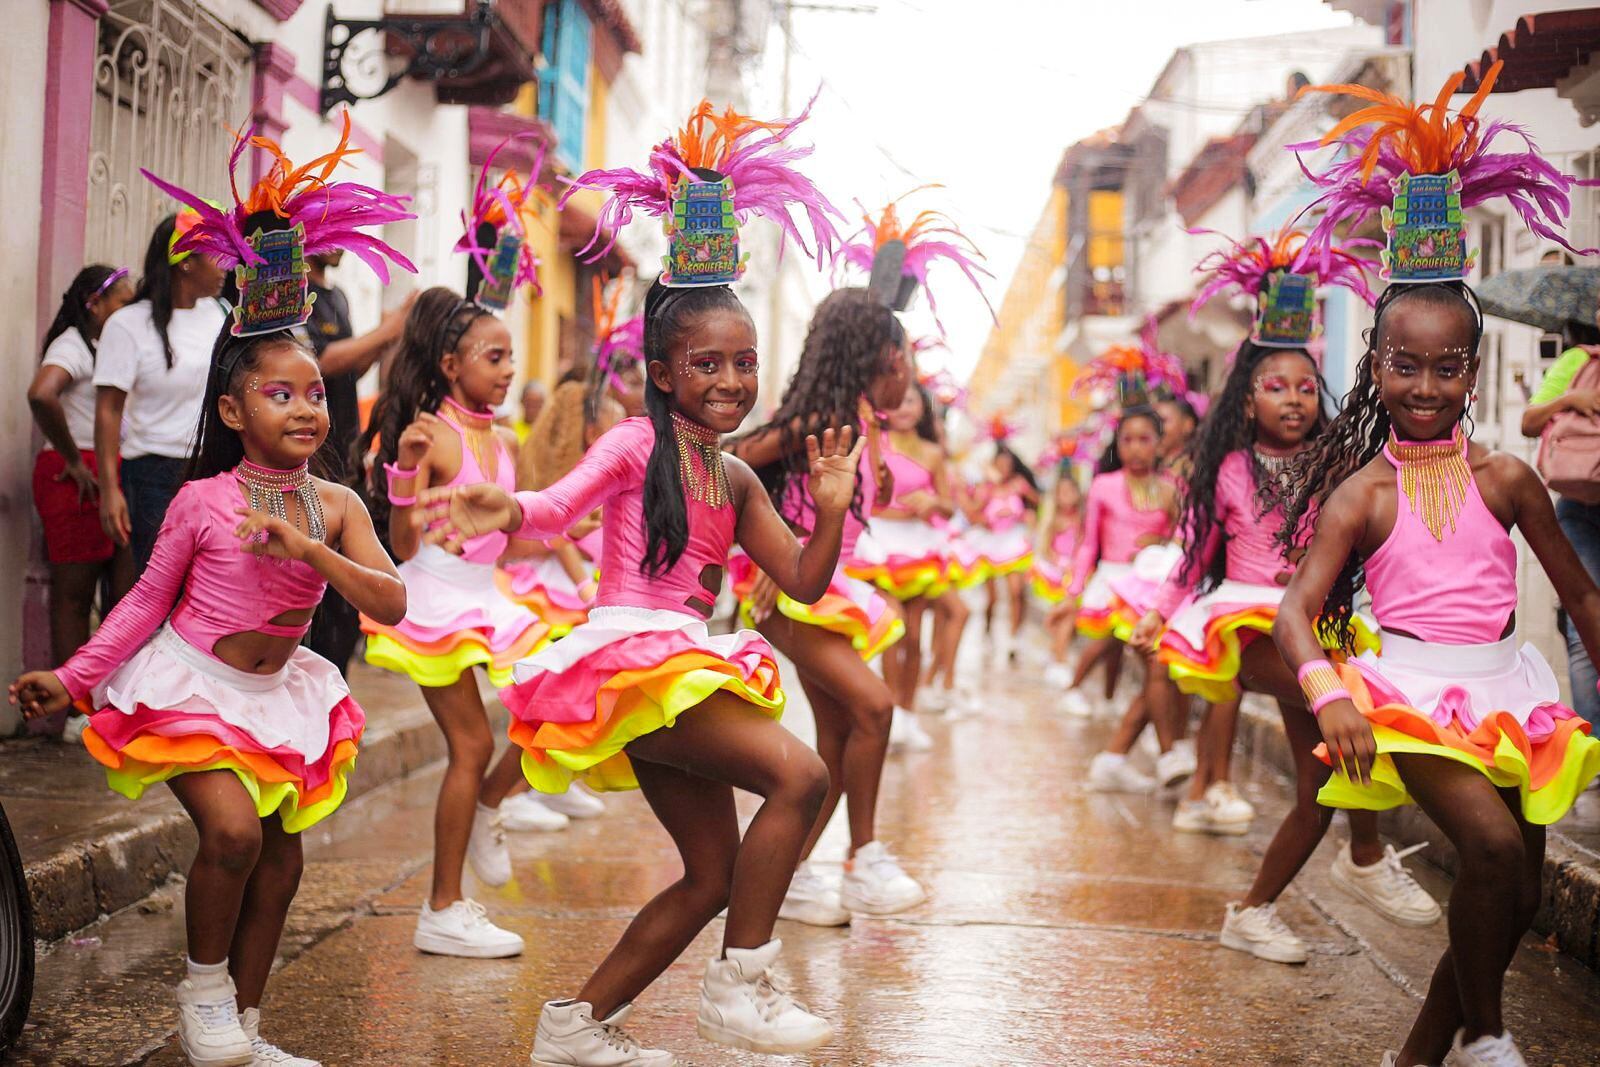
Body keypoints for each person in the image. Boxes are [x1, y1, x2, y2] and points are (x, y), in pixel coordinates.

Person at [424, 280, 852, 1062]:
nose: (730, 381)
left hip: (683, 661)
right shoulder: (633, 442)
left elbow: (802, 579)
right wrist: (508, 507)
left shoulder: (737, 477)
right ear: (663, 373)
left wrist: (829, 511)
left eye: (745, 362)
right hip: (636, 659)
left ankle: (574, 1025)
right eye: (707, 363)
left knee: (711, 875)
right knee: (803, 776)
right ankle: (740, 984)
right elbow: (558, 505)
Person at [11, 320, 406, 1067]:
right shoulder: (201, 501)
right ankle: (203, 1000)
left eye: (315, 394)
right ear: (233, 411)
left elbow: (391, 602)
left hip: (279, 697)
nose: (303, 409)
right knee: (233, 834)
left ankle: (245, 1035)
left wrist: (309, 547)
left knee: (283, 866)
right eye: (278, 393)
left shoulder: (337, 504)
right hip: (191, 688)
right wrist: (70, 678)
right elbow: (141, 603)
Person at [1277, 281, 1600, 1067]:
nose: (1426, 388)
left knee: (1519, 897)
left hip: (1508, 699)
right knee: (1489, 846)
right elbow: (1295, 614)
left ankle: (1420, 1053)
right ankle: (1487, 1035)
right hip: (1410, 699)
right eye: (1406, 366)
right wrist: (1328, 699)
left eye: (1446, 368)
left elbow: (1581, 590)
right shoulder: (1362, 493)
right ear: (1377, 367)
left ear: (1475, 372)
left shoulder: (1508, 479)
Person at [358, 288, 555, 959]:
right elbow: (405, 545)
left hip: (489, 596)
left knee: (560, 707)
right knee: (469, 746)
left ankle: (490, 807)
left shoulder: (504, 439)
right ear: (450, 363)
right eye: (493, 357)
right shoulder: (430, 434)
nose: (506, 370)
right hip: (436, 599)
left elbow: (513, 540)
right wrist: (407, 471)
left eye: (510, 357)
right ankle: (442, 906)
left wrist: (582, 532)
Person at [733, 288, 925, 927]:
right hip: (788, 593)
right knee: (874, 706)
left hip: (825, 591)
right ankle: (864, 857)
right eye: (904, 357)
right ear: (882, 357)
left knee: (840, 743)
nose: (910, 373)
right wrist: (773, 546)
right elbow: (728, 463)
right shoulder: (823, 417)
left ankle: (789, 880)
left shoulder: (860, 421)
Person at [29, 264, 138, 741]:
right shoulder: (72, 344)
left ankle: (112, 703)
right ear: (94, 304)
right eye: (121, 301)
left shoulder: (115, 344)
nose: (130, 309)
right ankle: (75, 712)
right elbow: (41, 394)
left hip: (112, 472)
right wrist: (75, 460)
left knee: (124, 592)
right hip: (75, 479)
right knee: (74, 596)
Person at [296, 251, 412, 676]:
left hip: (344, 453)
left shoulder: (338, 296)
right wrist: (387, 329)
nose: (343, 246)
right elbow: (319, 363)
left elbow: (348, 370)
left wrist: (386, 339)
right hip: (310, 457)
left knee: (345, 595)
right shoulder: (296, 292)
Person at [95, 214, 228, 571]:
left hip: (211, 469)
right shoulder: (127, 325)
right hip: (154, 475)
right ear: (186, 262)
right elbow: (108, 410)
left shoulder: (217, 314)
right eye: (216, 254)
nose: (226, 265)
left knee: (206, 583)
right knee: (160, 584)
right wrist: (110, 490)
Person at [848, 382, 956, 752]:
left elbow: (950, 506)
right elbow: (866, 491)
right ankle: (890, 711)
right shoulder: (875, 443)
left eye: (911, 399)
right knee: (893, 629)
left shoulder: (933, 453)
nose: (905, 407)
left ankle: (909, 715)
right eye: (897, 400)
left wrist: (932, 503)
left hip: (919, 546)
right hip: (881, 542)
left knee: (914, 635)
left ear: (923, 408)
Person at [1519, 315, 1600, 728]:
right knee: (1584, 628)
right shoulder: (1577, 361)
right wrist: (1570, 401)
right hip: (1580, 509)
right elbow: (1529, 421)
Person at [967, 442, 1039, 659]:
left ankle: (1014, 638)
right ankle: (988, 631)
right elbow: (973, 514)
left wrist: (1029, 515)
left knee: (1017, 591)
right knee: (992, 598)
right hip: (990, 544)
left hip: (1013, 543)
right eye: (1001, 464)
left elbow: (1037, 503)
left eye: (1008, 464)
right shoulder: (985, 487)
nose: (1004, 468)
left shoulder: (1019, 484)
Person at [1035, 473, 1083, 688]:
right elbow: (1046, 547)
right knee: (1063, 616)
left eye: (1071, 492)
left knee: (1067, 616)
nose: (1067, 497)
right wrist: (1057, 562)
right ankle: (1059, 657)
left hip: (1076, 573)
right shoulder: (1054, 520)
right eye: (1062, 492)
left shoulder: (1082, 520)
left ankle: (1058, 654)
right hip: (1057, 573)